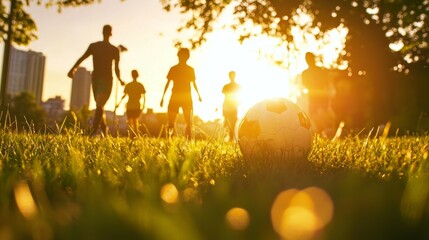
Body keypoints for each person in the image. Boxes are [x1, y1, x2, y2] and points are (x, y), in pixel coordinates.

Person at [68, 24, 124, 136]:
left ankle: (93, 131)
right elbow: (117, 68)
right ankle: (102, 131)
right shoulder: (112, 49)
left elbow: (81, 58)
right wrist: (120, 79)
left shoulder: (98, 47)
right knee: (100, 105)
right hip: (102, 80)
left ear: (102, 32)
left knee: (99, 104)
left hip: (100, 80)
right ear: (111, 33)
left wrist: (72, 69)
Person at [160, 48, 202, 138]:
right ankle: (169, 140)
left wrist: (198, 95)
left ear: (187, 57)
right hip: (175, 96)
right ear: (178, 56)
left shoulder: (190, 69)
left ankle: (188, 140)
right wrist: (162, 97)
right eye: (181, 55)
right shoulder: (173, 69)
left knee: (189, 121)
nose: (183, 57)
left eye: (185, 56)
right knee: (171, 120)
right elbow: (167, 83)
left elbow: (194, 83)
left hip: (186, 97)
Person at [301, 52, 335, 134]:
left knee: (324, 114)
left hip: (323, 97)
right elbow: (305, 84)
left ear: (313, 59)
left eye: (310, 59)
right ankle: (318, 132)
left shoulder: (322, 71)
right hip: (313, 97)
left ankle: (328, 131)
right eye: (307, 59)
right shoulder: (305, 73)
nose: (309, 61)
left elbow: (328, 82)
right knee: (313, 115)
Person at [118, 69, 146, 136]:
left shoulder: (129, 85)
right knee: (135, 121)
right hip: (136, 105)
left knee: (131, 121)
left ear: (132, 75)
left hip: (130, 105)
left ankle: (132, 135)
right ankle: (135, 134)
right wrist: (144, 105)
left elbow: (124, 96)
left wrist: (118, 104)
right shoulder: (140, 85)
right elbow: (144, 96)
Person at [222, 71, 241, 141]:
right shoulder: (226, 86)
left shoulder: (238, 86)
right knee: (226, 122)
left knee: (233, 122)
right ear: (229, 76)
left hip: (234, 106)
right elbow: (225, 96)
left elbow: (239, 97)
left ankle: (231, 138)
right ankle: (226, 137)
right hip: (227, 106)